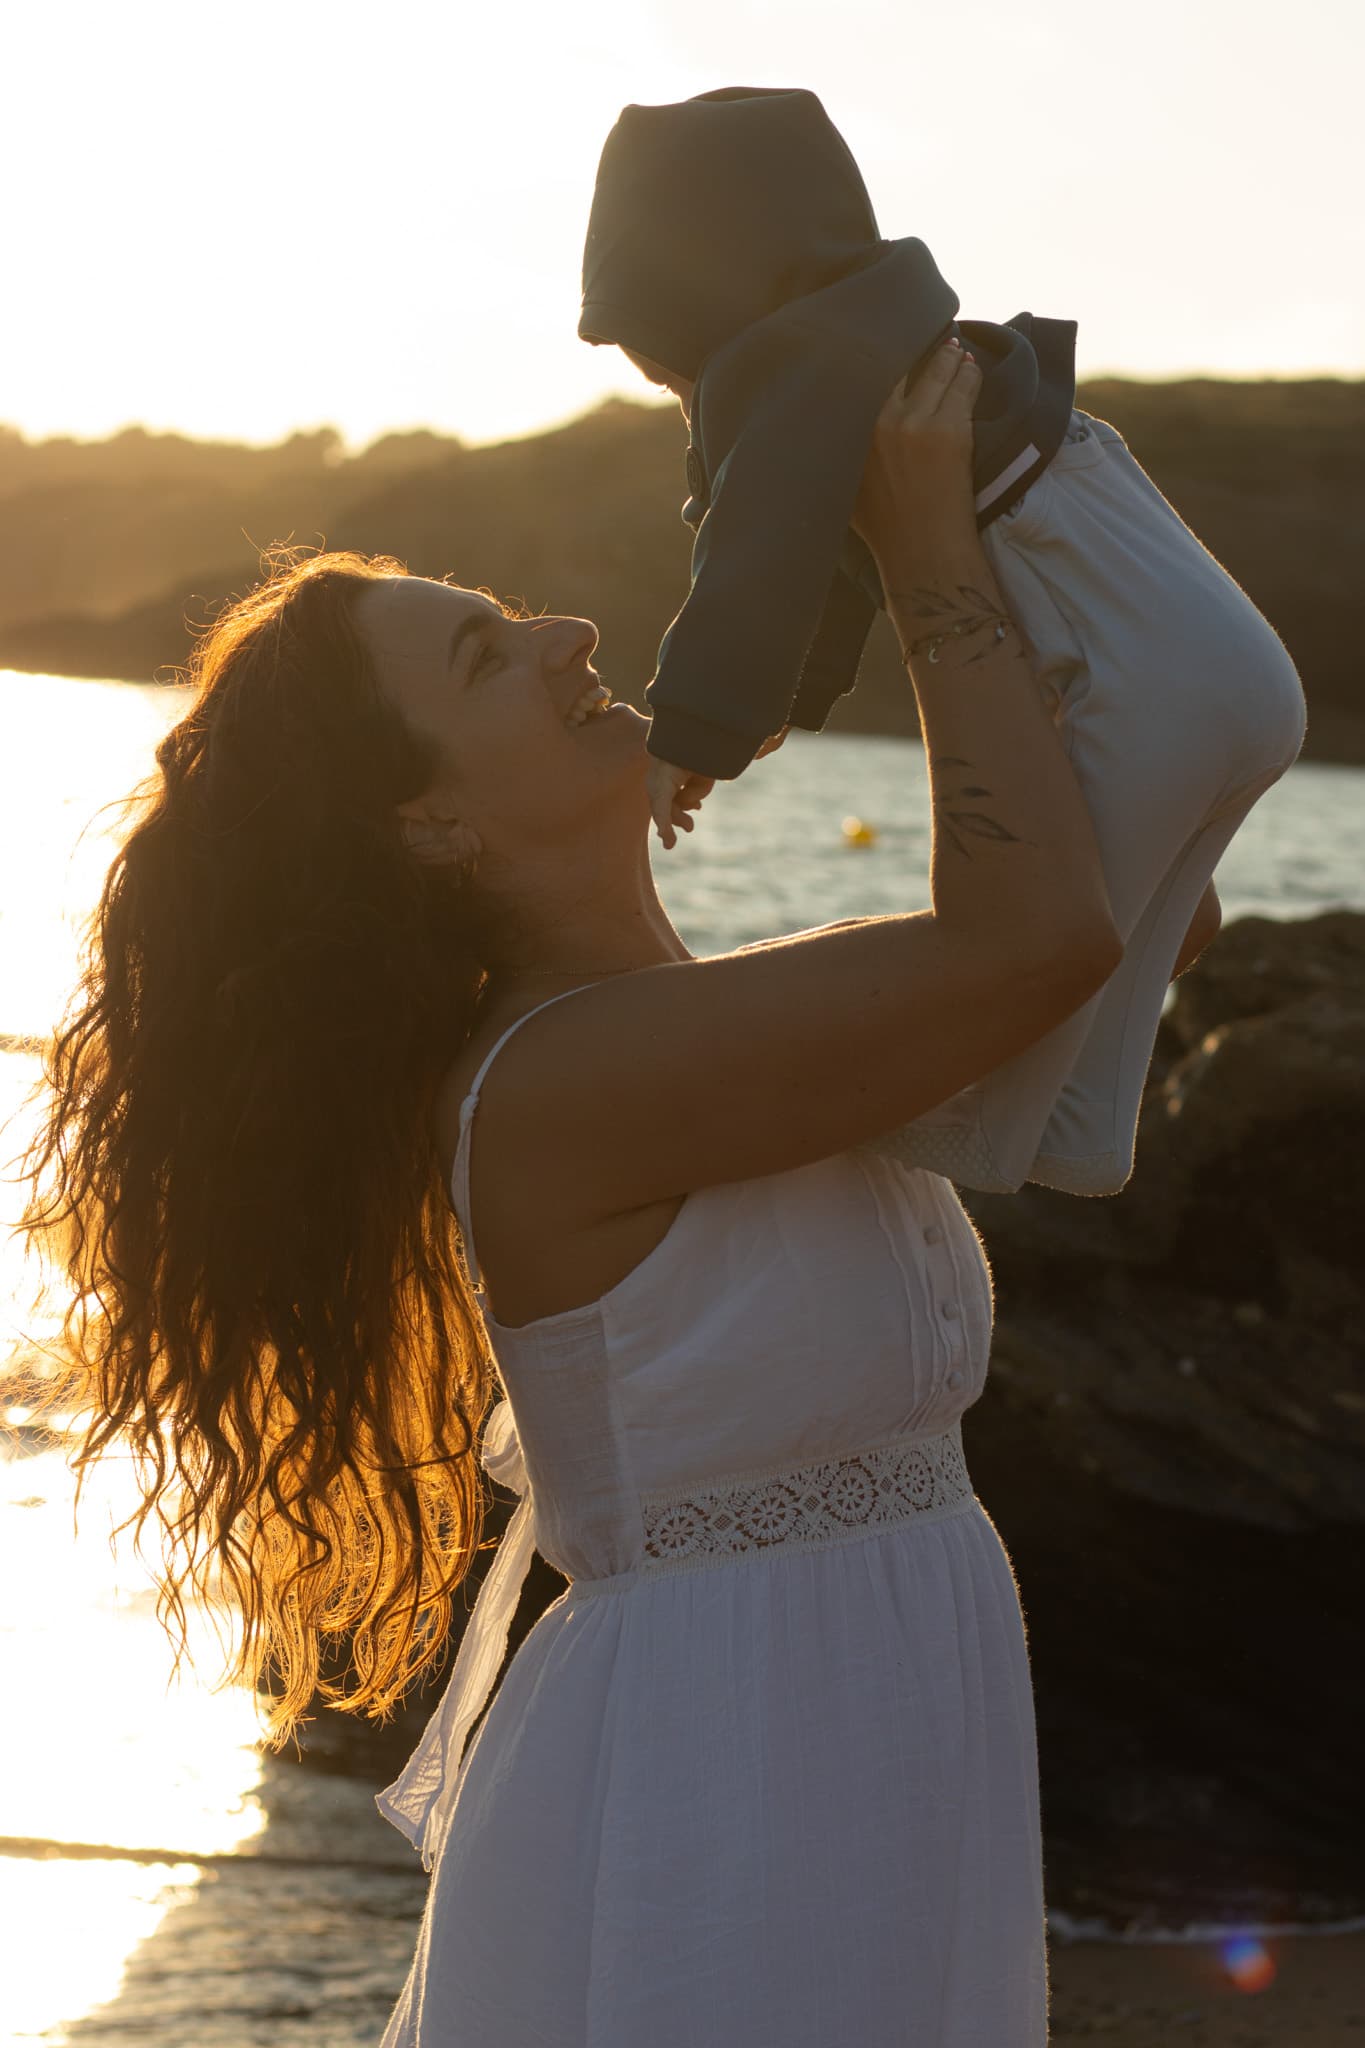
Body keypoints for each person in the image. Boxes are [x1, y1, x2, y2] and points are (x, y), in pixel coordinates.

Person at [13, 341, 1208, 2048]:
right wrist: (923, 539)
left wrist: (1007, 529)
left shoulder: (720, 1029)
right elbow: (1039, 938)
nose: (572, 633)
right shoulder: (563, 1089)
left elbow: (1128, 934)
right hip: (723, 1771)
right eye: (491, 655)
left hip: (865, 1719)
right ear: (429, 824)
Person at [579, 85, 1308, 1199]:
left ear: (707, 293)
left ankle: (969, 1136)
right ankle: (1081, 1133)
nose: (670, 387)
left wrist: (700, 727)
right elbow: (826, 564)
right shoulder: (892, 329)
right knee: (1114, 961)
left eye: (659, 355)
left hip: (1152, 689)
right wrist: (780, 705)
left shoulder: (799, 363)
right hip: (1234, 671)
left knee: (1023, 959)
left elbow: (759, 546)